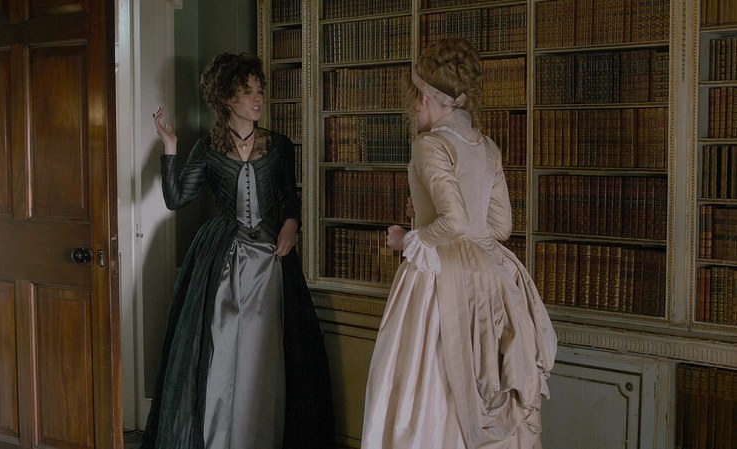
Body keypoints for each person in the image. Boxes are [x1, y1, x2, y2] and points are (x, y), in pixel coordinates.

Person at [361, 37, 557, 449]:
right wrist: (427, 215)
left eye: (414, 100)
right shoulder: (486, 146)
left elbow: (454, 220)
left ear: (427, 97)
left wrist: (408, 238)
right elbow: (500, 226)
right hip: (492, 277)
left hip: (442, 278)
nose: (412, 110)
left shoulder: (430, 143)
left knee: (430, 381)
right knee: (482, 380)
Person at [140, 52, 335, 449]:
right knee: (222, 345)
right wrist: (170, 145)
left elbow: (289, 197)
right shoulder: (207, 148)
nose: (257, 99)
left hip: (271, 261)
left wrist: (291, 226)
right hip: (222, 260)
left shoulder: (278, 146)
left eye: (259, 91)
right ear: (227, 99)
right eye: (248, 92)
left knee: (268, 350)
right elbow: (176, 199)